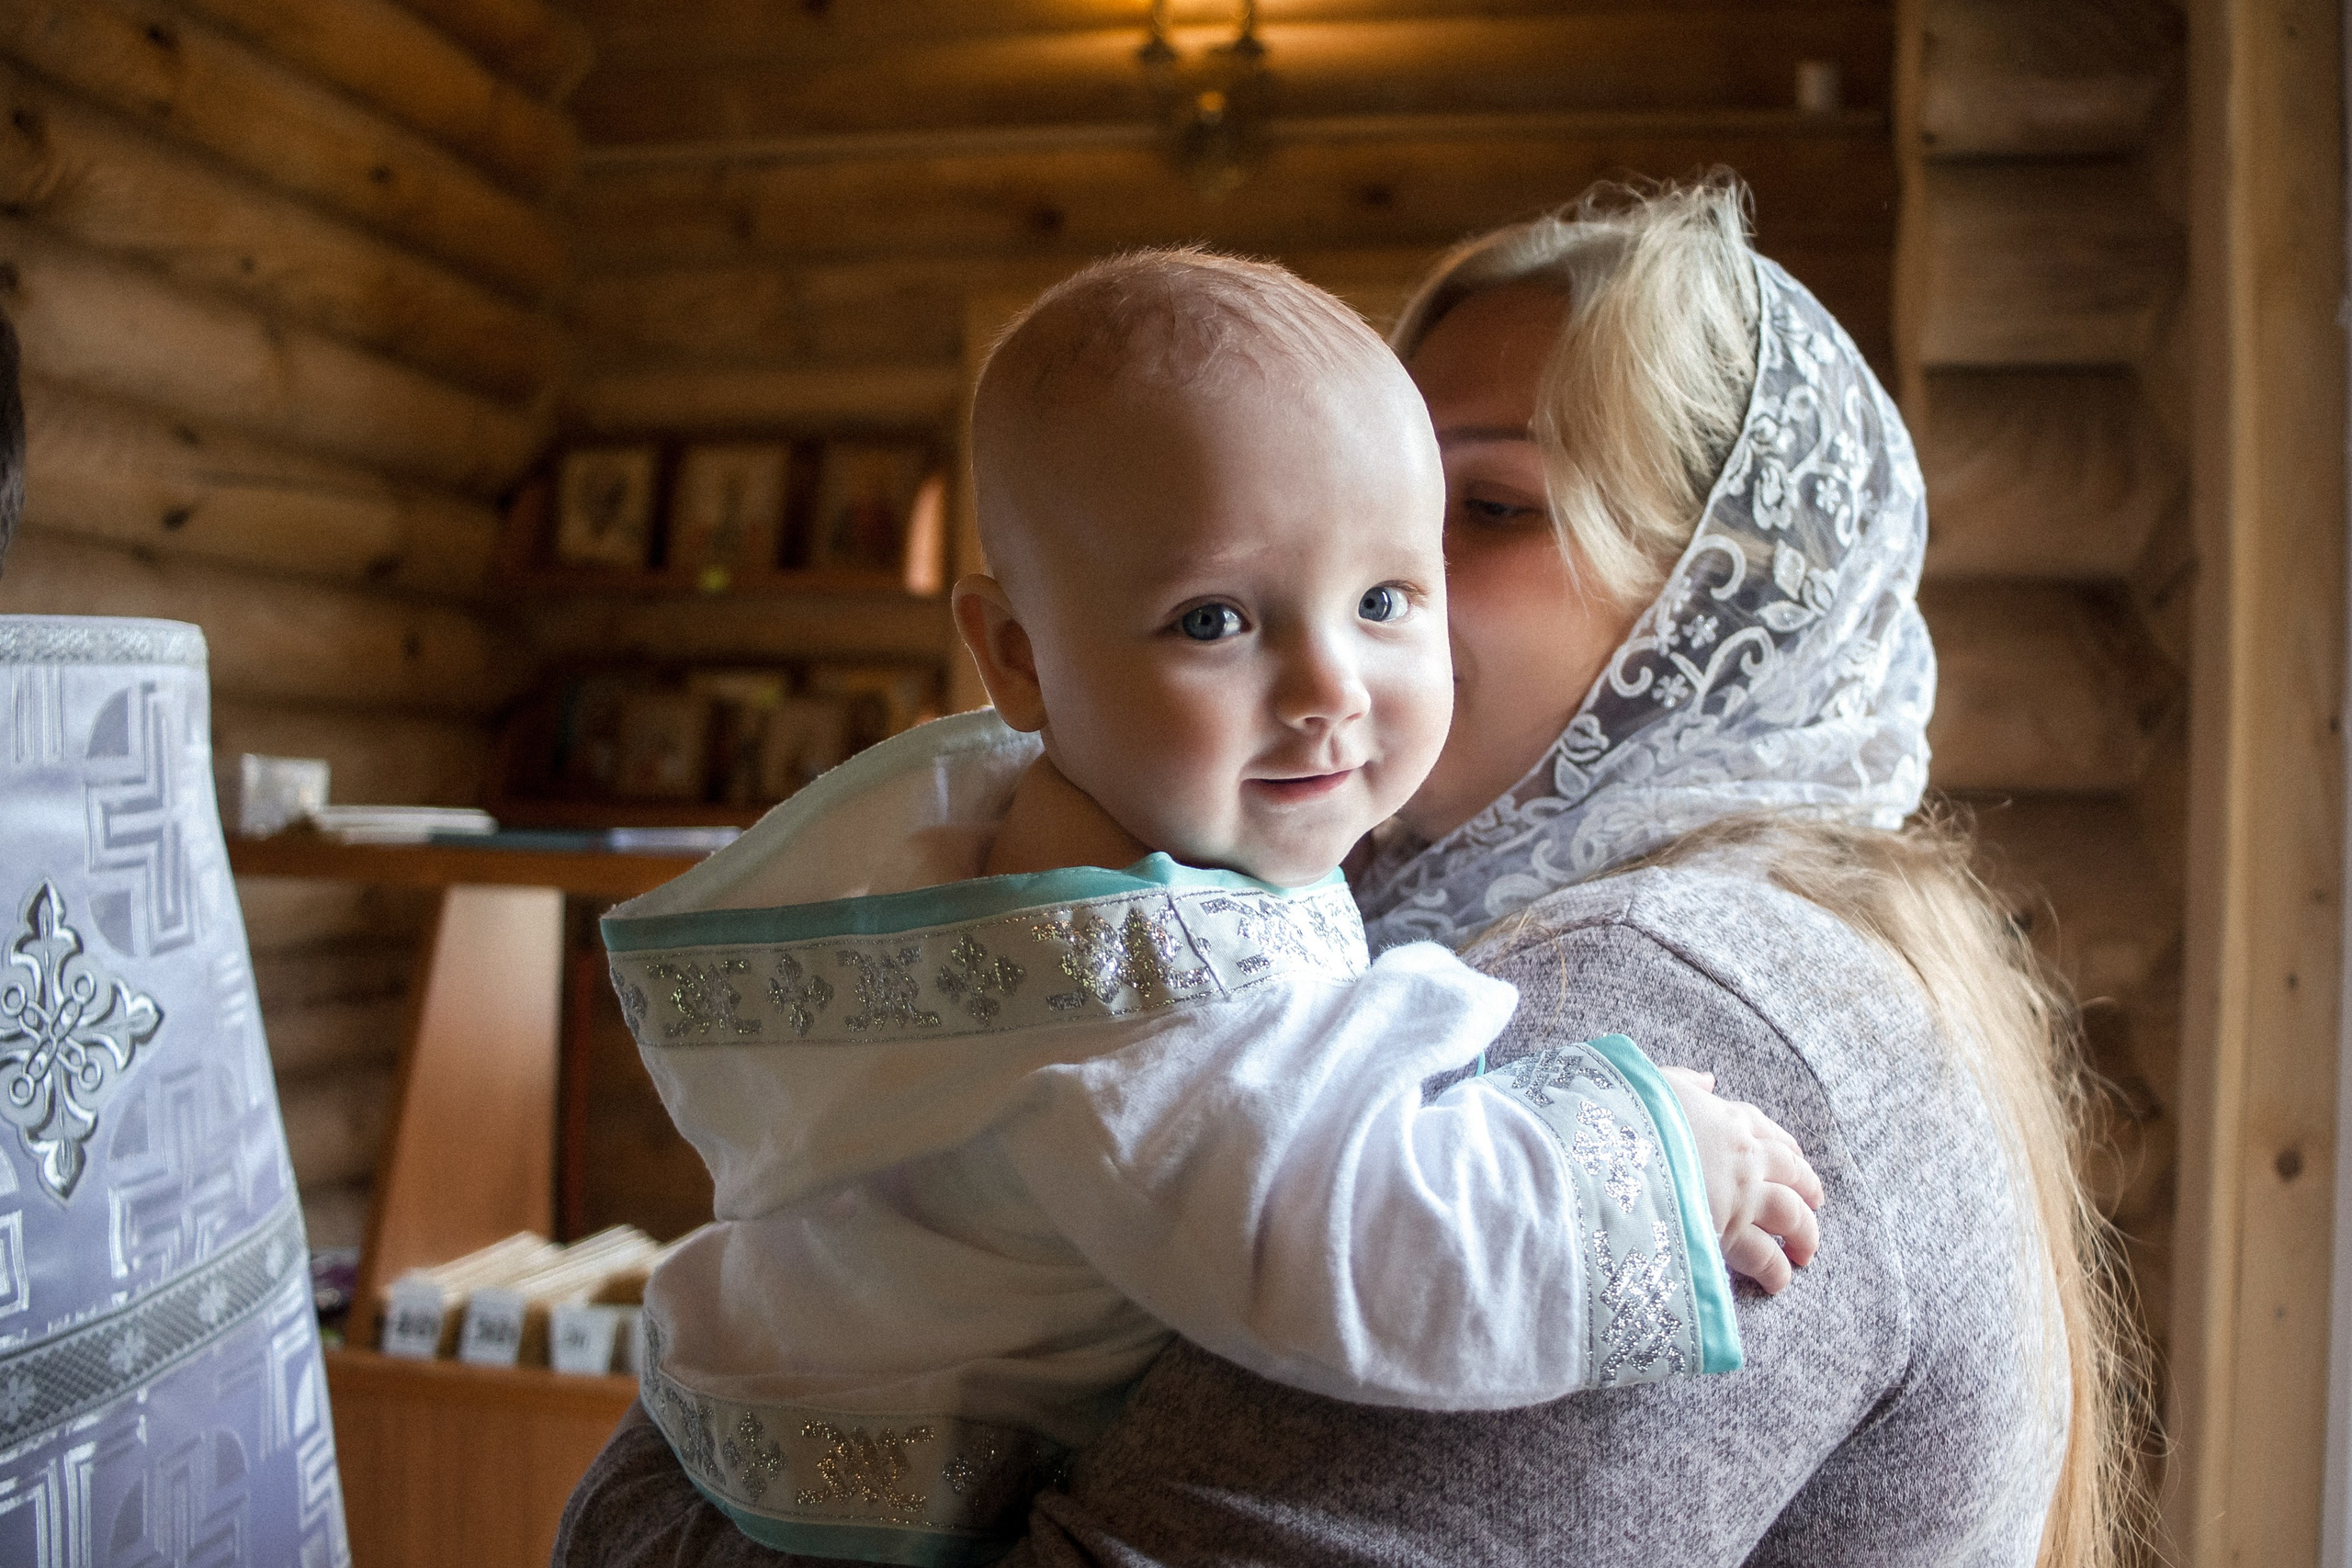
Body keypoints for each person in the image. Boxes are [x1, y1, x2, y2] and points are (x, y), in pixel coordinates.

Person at [557, 177, 2132, 1566]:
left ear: (1713, 607)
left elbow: (1388, 1248)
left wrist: (638, 1512)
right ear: (1016, 652)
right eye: (1225, 603)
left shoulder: (1671, 997)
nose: (1348, 641)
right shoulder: (1257, 903)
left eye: (1477, 512)